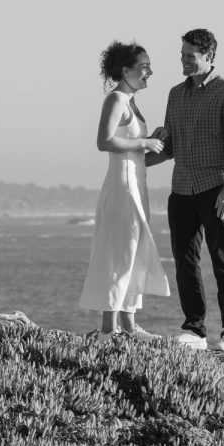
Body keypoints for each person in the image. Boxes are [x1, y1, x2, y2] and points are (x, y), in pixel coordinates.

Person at [146, 28, 224, 353]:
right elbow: (169, 146)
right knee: (185, 261)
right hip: (181, 190)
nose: (184, 62)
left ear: (208, 57)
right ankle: (194, 330)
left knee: (222, 259)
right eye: (182, 56)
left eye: (190, 57)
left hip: (215, 188)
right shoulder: (175, 94)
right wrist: (134, 161)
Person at [78, 41, 172, 341]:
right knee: (119, 252)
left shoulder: (131, 101)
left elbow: (134, 150)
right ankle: (109, 328)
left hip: (137, 184)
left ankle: (130, 325)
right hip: (121, 188)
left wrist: (156, 143)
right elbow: (104, 141)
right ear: (126, 70)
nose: (150, 73)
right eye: (144, 67)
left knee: (135, 251)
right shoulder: (116, 99)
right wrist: (144, 142)